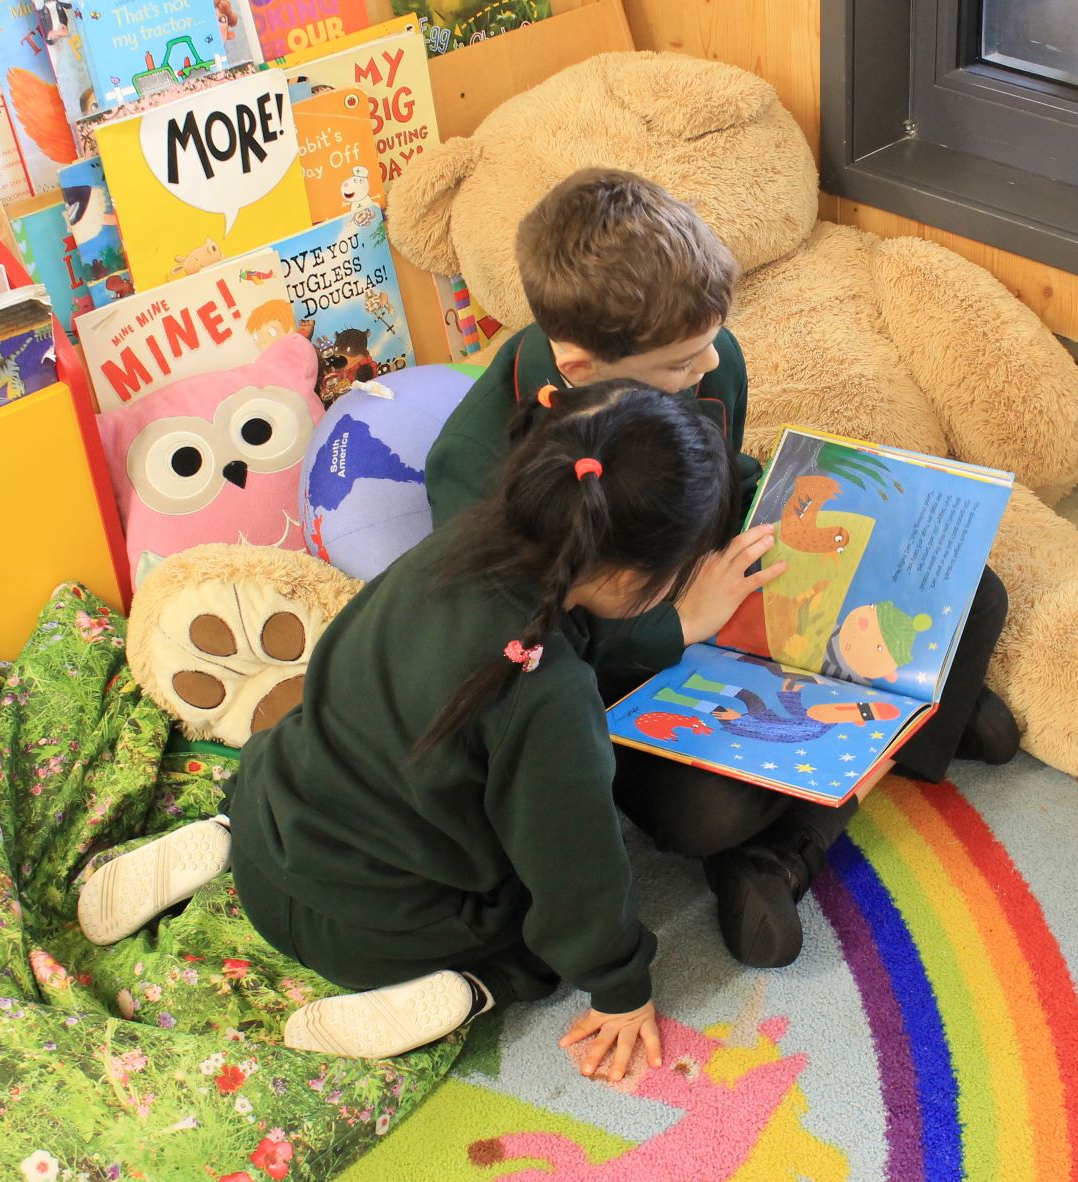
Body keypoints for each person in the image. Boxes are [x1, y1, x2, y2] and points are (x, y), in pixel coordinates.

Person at [426, 167, 1019, 970]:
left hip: (712, 578)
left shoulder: (708, 357)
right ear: (579, 366)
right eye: (680, 364)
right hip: (614, 665)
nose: (707, 368)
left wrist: (798, 508)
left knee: (972, 594)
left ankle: (868, 748)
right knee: (706, 814)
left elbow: (718, 475)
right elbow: (527, 657)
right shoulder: (475, 473)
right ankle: (815, 814)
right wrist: (681, 625)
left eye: (712, 343)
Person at [76, 382, 744, 1080]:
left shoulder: (459, 540)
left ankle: (214, 832)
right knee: (532, 924)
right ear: (632, 576)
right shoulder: (547, 694)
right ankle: (473, 986)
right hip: (374, 939)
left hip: (266, 835)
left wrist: (669, 623)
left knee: (328, 740)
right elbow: (576, 867)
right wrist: (619, 987)